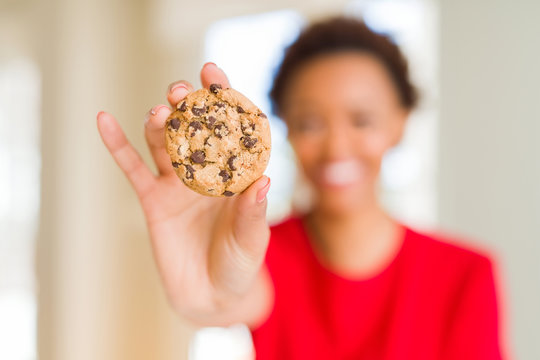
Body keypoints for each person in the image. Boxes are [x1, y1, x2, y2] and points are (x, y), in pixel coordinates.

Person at [97, 16, 503, 359]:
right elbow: (232, 293)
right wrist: (207, 298)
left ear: (400, 122)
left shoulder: (466, 275)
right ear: (283, 130)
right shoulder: (257, 250)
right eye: (310, 123)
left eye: (361, 120)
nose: (337, 146)